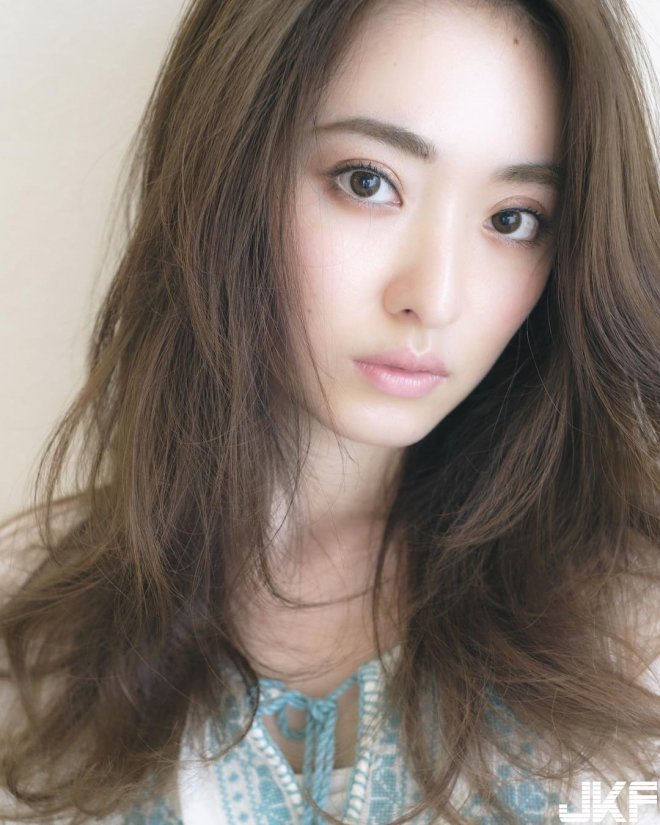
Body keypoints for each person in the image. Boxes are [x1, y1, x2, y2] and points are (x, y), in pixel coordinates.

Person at [1, 0, 659, 822]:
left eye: (512, 219)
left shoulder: (633, 620)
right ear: (229, 166)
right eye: (368, 181)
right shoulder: (34, 632)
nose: (435, 297)